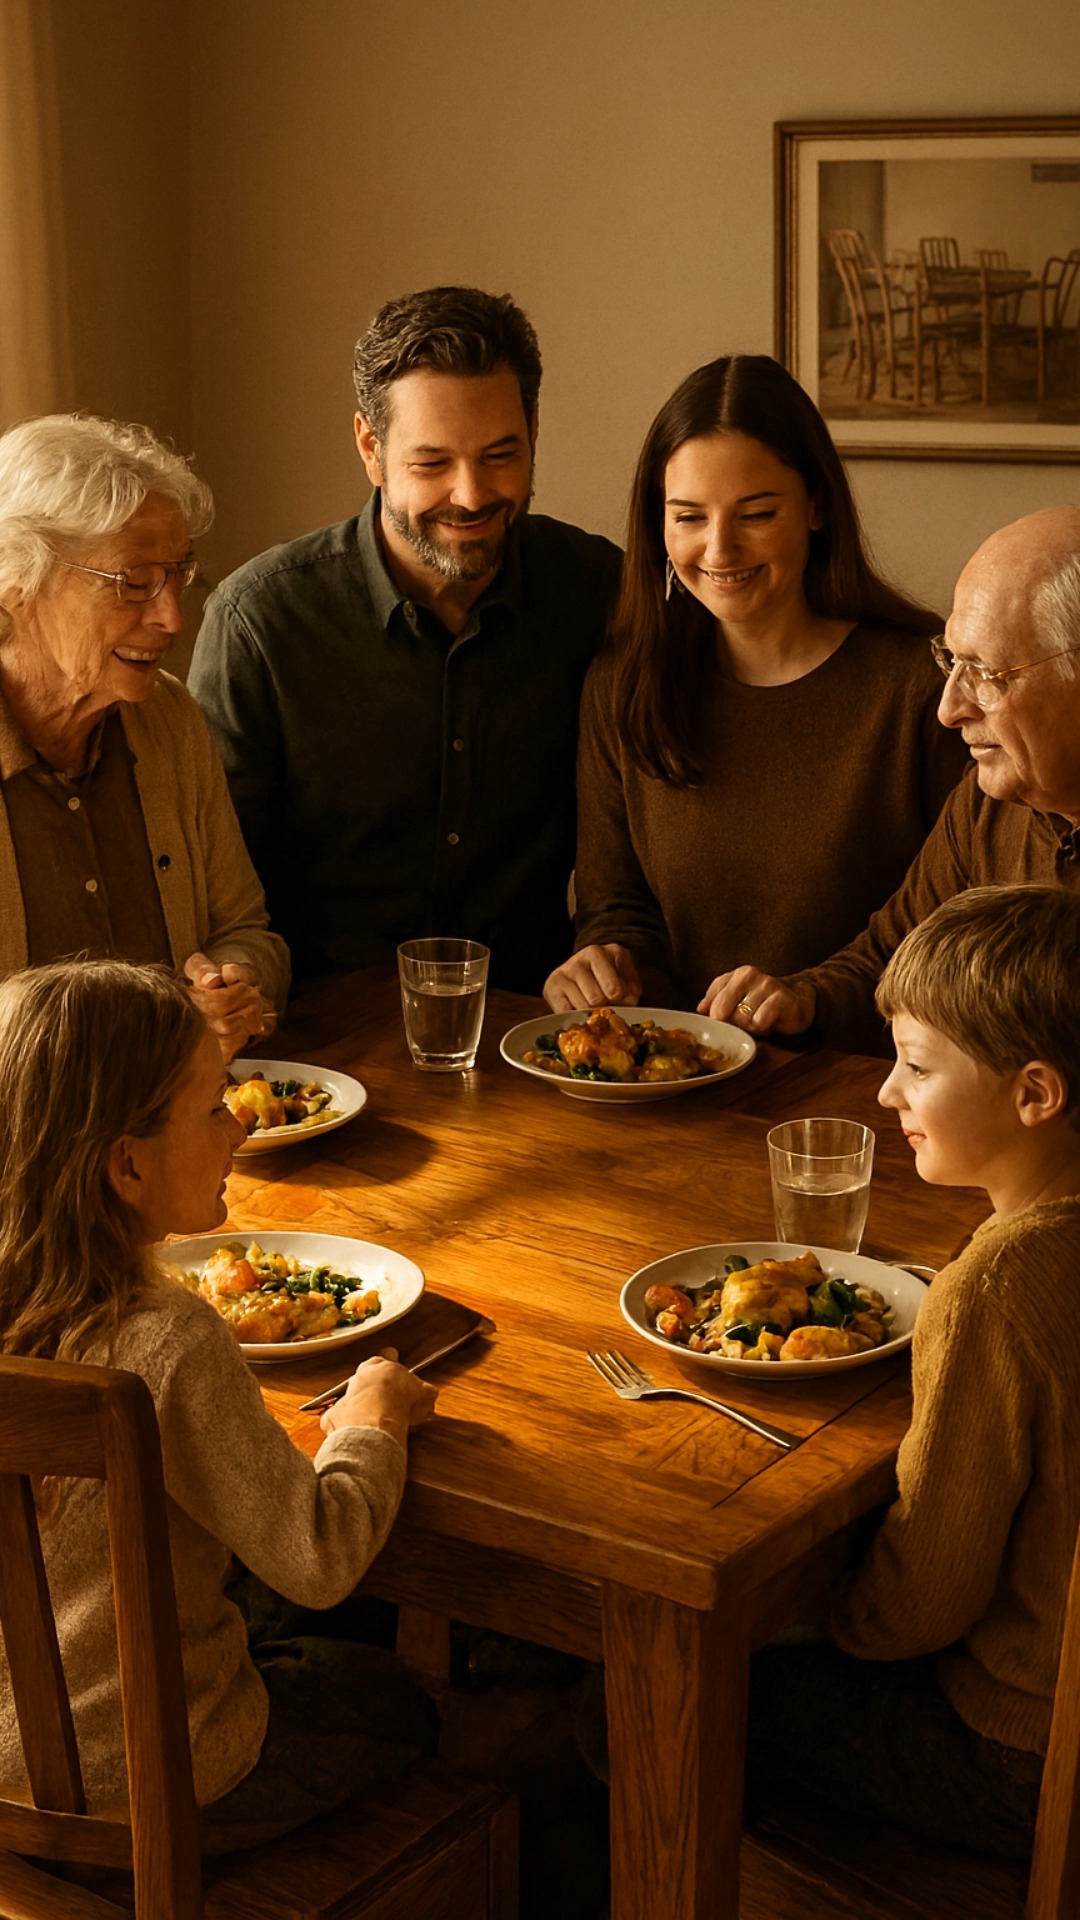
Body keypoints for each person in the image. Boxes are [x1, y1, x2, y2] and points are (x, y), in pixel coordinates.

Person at [579, 883, 1080, 1858]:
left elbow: (919, 1602)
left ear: (1034, 1093)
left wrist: (811, 1617)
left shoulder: (997, 1287)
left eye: (916, 1067)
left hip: (1019, 1750)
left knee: (637, 1701)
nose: (887, 1092)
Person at [0, 958, 437, 1851]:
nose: (237, 1125)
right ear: (126, 1162)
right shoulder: (167, 1337)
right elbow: (319, 1555)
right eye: (210, 1107)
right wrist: (371, 1422)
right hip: (153, 1783)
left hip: (3, 1759)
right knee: (398, 1700)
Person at [189, 286, 623, 995]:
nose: (472, 494)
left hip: (535, 1039)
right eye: (432, 464)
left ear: (535, 429)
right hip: (318, 1057)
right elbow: (218, 892)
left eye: (499, 455)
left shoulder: (600, 592)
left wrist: (611, 940)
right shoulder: (260, 623)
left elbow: (644, 835)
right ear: (370, 446)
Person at [543, 355, 967, 1014]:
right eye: (688, 517)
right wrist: (605, 965)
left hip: (871, 1085)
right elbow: (617, 909)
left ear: (817, 506)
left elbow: (954, 931)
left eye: (756, 514)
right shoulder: (623, 685)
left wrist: (810, 1000)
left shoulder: (922, 685)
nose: (718, 550)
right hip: (679, 1078)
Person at [701, 506, 1080, 1054]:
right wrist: (805, 999)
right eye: (951, 660)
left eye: (987, 674)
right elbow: (887, 957)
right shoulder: (986, 803)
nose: (950, 709)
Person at [0, 414, 289, 1059]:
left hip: (178, 1135)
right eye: (133, 582)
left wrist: (232, 988)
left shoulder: (170, 721)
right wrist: (150, 1028)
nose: (172, 618)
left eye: (178, 574)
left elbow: (246, 931)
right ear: (20, 579)